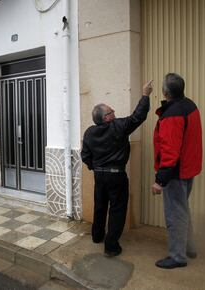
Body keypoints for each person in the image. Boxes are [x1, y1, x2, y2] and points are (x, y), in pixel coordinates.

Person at [81, 81, 153, 257]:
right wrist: (145, 94)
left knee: (100, 206)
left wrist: (95, 168)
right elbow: (138, 117)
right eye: (112, 111)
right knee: (117, 209)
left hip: (100, 176)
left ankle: (97, 236)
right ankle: (111, 246)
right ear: (106, 117)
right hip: (116, 176)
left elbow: (85, 156)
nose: (115, 113)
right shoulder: (119, 126)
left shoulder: (89, 132)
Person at [152, 73, 202, 269]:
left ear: (165, 92)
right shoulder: (190, 105)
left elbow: (170, 151)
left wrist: (160, 180)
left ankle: (177, 256)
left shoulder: (172, 115)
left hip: (176, 173)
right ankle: (190, 247)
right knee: (183, 210)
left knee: (175, 214)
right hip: (187, 168)